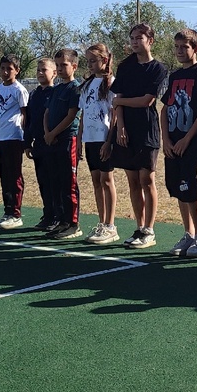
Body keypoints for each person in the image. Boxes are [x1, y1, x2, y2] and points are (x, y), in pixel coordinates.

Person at [109, 24, 168, 249]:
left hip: (147, 129)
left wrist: (119, 102)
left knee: (147, 179)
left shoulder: (157, 68)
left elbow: (146, 100)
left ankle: (150, 230)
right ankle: (139, 227)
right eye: (132, 38)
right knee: (132, 181)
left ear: (150, 40)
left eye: (139, 38)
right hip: (127, 130)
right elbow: (118, 98)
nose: (135, 42)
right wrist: (120, 126)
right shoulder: (125, 66)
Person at [160, 28, 197, 257]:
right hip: (172, 140)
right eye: (177, 47)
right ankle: (188, 234)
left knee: (190, 189)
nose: (180, 51)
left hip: (189, 141)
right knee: (178, 189)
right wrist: (166, 139)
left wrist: (187, 139)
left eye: (185, 47)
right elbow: (165, 108)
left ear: (196, 49)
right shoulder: (174, 76)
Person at [79, 44, 118, 243]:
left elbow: (115, 115)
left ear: (105, 60)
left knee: (106, 180)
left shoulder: (111, 83)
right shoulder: (86, 85)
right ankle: (101, 222)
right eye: (88, 61)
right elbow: (83, 114)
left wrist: (109, 141)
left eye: (94, 60)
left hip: (104, 138)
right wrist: (79, 140)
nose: (91, 65)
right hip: (90, 138)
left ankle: (111, 225)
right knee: (96, 181)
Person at [41, 49, 83, 238]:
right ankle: (61, 219)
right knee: (55, 181)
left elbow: (71, 115)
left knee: (69, 182)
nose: (60, 68)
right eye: (57, 65)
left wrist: (55, 132)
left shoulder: (75, 88)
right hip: (52, 141)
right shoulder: (56, 88)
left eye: (63, 65)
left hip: (68, 140)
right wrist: (47, 133)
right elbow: (47, 113)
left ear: (74, 66)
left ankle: (73, 223)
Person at [0, 55, 30, 229]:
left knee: (14, 176)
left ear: (17, 70)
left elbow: (25, 114)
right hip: (0, 136)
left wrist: (26, 137)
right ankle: (7, 211)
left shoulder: (19, 90)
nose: (5, 72)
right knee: (4, 176)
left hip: (14, 137)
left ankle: (16, 213)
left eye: (9, 68)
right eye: (3, 68)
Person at [25, 56, 58, 230]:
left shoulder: (56, 93)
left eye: (44, 69)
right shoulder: (34, 94)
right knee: (42, 181)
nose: (40, 73)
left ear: (54, 72)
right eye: (38, 70)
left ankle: (56, 216)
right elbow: (29, 119)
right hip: (37, 144)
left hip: (52, 144)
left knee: (54, 181)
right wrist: (27, 142)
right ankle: (47, 214)